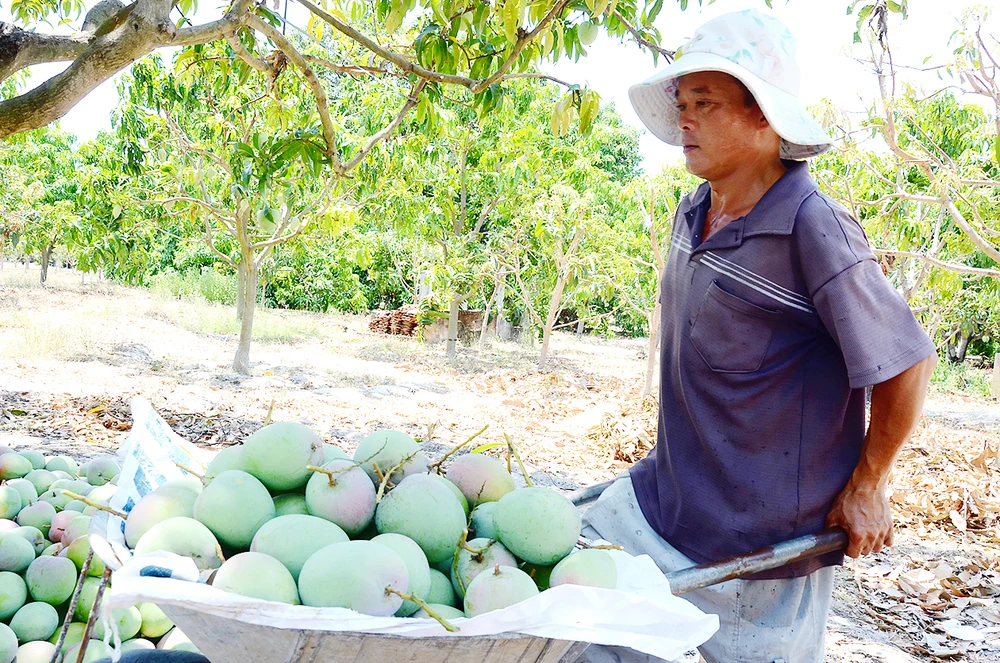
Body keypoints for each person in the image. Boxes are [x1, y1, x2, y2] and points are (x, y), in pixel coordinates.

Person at [578, 9, 936, 663]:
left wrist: (867, 484)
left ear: (764, 118)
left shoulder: (813, 228)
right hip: (664, 504)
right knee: (560, 624)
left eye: (704, 103)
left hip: (755, 557)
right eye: (682, 104)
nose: (684, 119)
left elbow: (906, 363)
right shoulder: (695, 209)